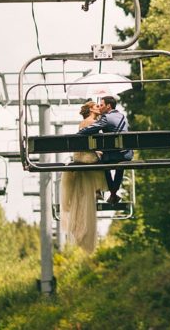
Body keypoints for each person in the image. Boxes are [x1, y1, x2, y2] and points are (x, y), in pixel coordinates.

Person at [60, 101, 108, 253]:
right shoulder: (95, 122)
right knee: (105, 161)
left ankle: (97, 191)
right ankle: (99, 190)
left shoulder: (82, 123)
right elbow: (97, 143)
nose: (99, 108)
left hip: (78, 158)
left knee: (99, 160)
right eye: (96, 106)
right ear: (91, 110)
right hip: (88, 158)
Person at [77, 95, 131, 204]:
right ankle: (113, 194)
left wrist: (80, 132)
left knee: (104, 164)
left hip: (112, 155)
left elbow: (92, 128)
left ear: (108, 106)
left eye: (101, 105)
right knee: (120, 166)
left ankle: (106, 192)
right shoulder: (122, 116)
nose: (100, 107)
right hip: (126, 154)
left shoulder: (106, 118)